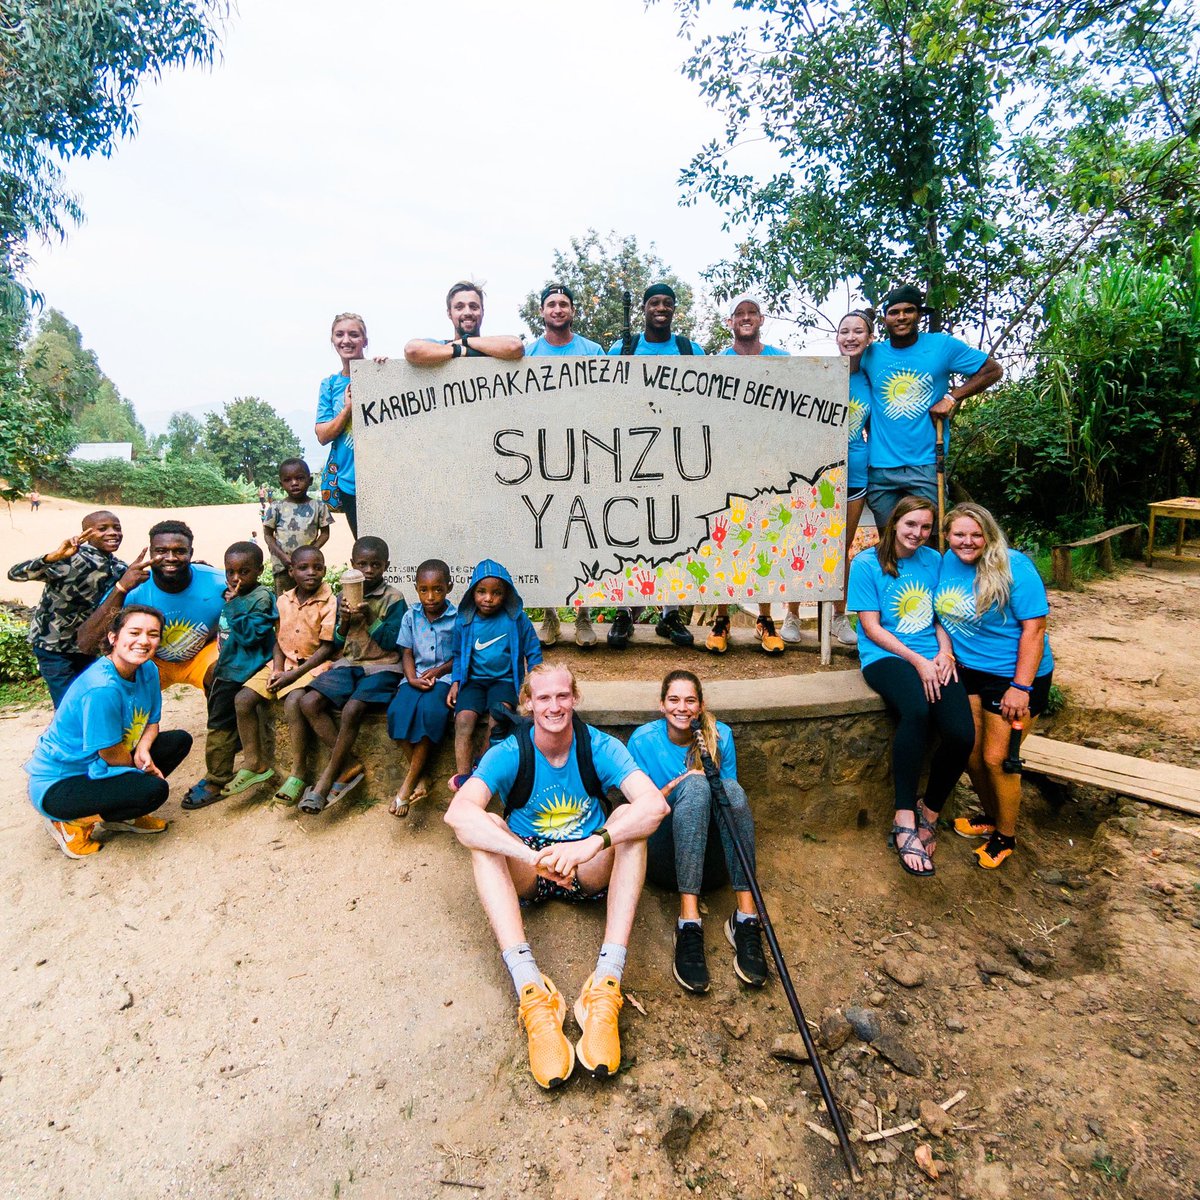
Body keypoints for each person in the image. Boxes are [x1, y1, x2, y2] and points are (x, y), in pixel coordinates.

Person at [444, 663, 669, 1088]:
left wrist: (594, 843)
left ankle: (605, 985)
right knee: (484, 832)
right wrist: (529, 856)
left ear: (575, 698)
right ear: (528, 703)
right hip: (530, 870)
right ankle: (531, 989)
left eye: (562, 696)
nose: (554, 706)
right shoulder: (510, 751)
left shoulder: (599, 746)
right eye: (543, 698)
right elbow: (457, 814)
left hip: (586, 868)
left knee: (629, 820)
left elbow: (655, 806)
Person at [847, 495, 974, 877]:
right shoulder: (867, 563)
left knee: (961, 734)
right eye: (910, 525)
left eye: (925, 527)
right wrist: (916, 661)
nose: (918, 534)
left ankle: (929, 810)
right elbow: (870, 627)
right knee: (917, 711)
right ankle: (903, 815)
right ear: (894, 523)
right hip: (886, 657)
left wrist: (944, 653)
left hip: (933, 656)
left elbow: (941, 615)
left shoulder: (935, 561)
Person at [627, 670, 768, 994]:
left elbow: (731, 804)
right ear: (662, 705)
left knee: (730, 791)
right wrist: (676, 787)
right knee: (694, 786)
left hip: (714, 864)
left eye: (690, 700)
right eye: (674, 700)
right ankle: (688, 922)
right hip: (665, 861)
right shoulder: (643, 740)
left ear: (701, 705)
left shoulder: (720, 736)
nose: (682, 707)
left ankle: (746, 918)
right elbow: (635, 813)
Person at [936, 503, 1055, 869]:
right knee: (971, 752)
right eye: (959, 534)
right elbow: (941, 613)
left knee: (998, 759)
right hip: (969, 670)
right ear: (947, 536)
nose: (967, 542)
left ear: (988, 534)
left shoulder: (1013, 565)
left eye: (975, 534)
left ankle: (1006, 836)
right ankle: (990, 816)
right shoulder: (946, 562)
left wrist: (1021, 686)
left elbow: (1035, 629)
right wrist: (946, 649)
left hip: (1014, 675)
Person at [24, 605, 193, 859]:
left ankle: (122, 814)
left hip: (101, 763)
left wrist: (144, 751)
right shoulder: (101, 688)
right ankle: (70, 822)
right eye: (134, 632)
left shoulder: (148, 670)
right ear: (114, 638)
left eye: (153, 634)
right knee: (152, 791)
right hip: (61, 782)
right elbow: (110, 752)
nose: (143, 641)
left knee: (178, 741)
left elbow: (152, 722)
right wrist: (139, 773)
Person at [606, 283, 705, 649]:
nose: (660, 308)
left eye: (667, 303)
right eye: (654, 303)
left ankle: (670, 614)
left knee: (676, 533)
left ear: (674, 309)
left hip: (676, 456)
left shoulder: (689, 350)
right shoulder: (623, 349)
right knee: (626, 531)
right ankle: (623, 611)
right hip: (630, 455)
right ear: (645, 308)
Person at [860, 285, 1002, 528]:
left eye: (909, 310)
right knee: (889, 537)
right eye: (894, 312)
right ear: (885, 318)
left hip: (925, 463)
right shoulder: (870, 354)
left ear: (919, 315)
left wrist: (951, 398)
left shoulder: (941, 346)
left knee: (930, 535)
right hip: (880, 465)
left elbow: (992, 370)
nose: (902, 317)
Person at [782, 309, 874, 648]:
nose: (850, 337)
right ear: (837, 338)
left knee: (840, 548)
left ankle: (837, 617)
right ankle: (792, 613)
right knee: (803, 542)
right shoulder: (818, 373)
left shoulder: (871, 380)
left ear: (869, 338)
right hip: (816, 475)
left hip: (855, 475)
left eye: (858, 332)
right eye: (844, 331)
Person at [297, 536, 406, 813]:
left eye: (375, 565)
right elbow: (337, 639)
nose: (368, 570)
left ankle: (325, 781)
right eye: (362, 564)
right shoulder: (343, 595)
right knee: (309, 702)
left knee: (353, 708)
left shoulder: (393, 598)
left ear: (386, 566)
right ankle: (347, 764)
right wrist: (345, 619)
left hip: (384, 665)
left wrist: (370, 618)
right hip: (350, 662)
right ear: (352, 565)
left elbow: (394, 641)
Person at [707, 295, 787, 655]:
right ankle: (722, 618)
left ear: (762, 318)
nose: (746, 318)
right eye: (739, 313)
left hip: (772, 466)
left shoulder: (782, 361)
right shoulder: (717, 363)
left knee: (766, 542)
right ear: (730, 322)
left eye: (752, 313)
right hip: (726, 464)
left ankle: (765, 618)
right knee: (723, 542)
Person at [525, 283, 603, 649]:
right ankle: (551, 617)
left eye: (564, 304)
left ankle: (584, 615)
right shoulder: (528, 354)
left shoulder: (593, 350)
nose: (558, 309)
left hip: (586, 454)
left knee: (584, 537)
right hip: (541, 455)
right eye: (551, 304)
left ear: (573, 310)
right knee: (544, 537)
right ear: (542, 311)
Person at [231, 545, 339, 806]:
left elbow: (327, 648)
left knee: (293, 702)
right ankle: (254, 762)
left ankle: (298, 773)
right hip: (284, 663)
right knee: (243, 700)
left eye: (318, 567)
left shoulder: (330, 600)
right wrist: (278, 670)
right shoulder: (283, 600)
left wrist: (293, 676)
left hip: (314, 665)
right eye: (303, 568)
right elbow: (277, 640)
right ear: (291, 571)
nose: (311, 573)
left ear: (325, 570)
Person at [77, 520, 226, 692]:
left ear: (191, 553)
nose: (170, 558)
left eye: (179, 551)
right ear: (151, 552)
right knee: (114, 679)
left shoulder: (219, 582)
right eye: (161, 551)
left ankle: (220, 719)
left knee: (226, 673)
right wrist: (121, 589)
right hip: (151, 661)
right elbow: (86, 644)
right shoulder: (132, 588)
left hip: (201, 657)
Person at [183, 541, 278, 809]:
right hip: (228, 666)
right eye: (230, 572)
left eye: (244, 572)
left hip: (242, 669)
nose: (236, 578)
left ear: (259, 570)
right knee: (217, 711)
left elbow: (250, 636)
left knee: (218, 725)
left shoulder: (260, 598)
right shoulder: (232, 594)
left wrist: (235, 605)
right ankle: (230, 756)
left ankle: (216, 779)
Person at [8, 510, 127, 707]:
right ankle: (65, 737)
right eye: (102, 529)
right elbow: (15, 573)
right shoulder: (70, 559)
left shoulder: (119, 568)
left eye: (117, 528)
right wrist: (53, 557)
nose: (113, 532)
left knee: (90, 698)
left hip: (87, 646)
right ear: (86, 534)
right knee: (67, 704)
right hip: (53, 647)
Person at [447, 559, 541, 791]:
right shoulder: (465, 621)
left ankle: (482, 765)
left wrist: (537, 684)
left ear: (506, 594)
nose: (488, 598)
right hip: (474, 682)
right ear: (472, 593)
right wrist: (456, 681)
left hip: (505, 681)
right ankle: (463, 777)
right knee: (463, 720)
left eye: (496, 593)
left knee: (498, 717)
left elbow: (533, 651)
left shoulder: (516, 620)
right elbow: (458, 654)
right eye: (481, 592)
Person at [386, 558, 459, 817]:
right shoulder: (411, 616)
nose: (431, 596)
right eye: (424, 589)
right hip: (414, 677)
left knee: (429, 716)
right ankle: (423, 777)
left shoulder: (457, 619)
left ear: (449, 587)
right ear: (416, 588)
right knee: (397, 714)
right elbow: (405, 651)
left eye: (438, 589)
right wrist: (412, 678)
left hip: (444, 679)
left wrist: (439, 672)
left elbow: (459, 656)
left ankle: (407, 786)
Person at [316, 311, 367, 538]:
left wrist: (385, 370)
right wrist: (347, 410)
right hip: (349, 483)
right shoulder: (329, 385)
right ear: (333, 340)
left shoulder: (380, 372)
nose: (346, 340)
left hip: (384, 479)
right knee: (364, 550)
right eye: (340, 334)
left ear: (365, 340)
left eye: (354, 334)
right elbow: (322, 435)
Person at [403, 280, 525, 365]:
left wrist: (464, 341)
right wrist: (461, 350)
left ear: (483, 311)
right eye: (459, 307)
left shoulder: (494, 347)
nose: (467, 312)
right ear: (449, 313)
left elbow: (515, 347)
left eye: (473, 306)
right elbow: (412, 350)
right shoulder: (439, 347)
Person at [262, 457, 332, 595]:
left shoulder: (319, 506)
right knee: (285, 601)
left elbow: (325, 533)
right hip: (283, 567)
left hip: (309, 568)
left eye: (300, 478)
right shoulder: (276, 507)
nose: (294, 483)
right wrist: (282, 557)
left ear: (310, 480)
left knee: (312, 600)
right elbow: (268, 535)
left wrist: (311, 552)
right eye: (288, 480)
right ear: (281, 484)